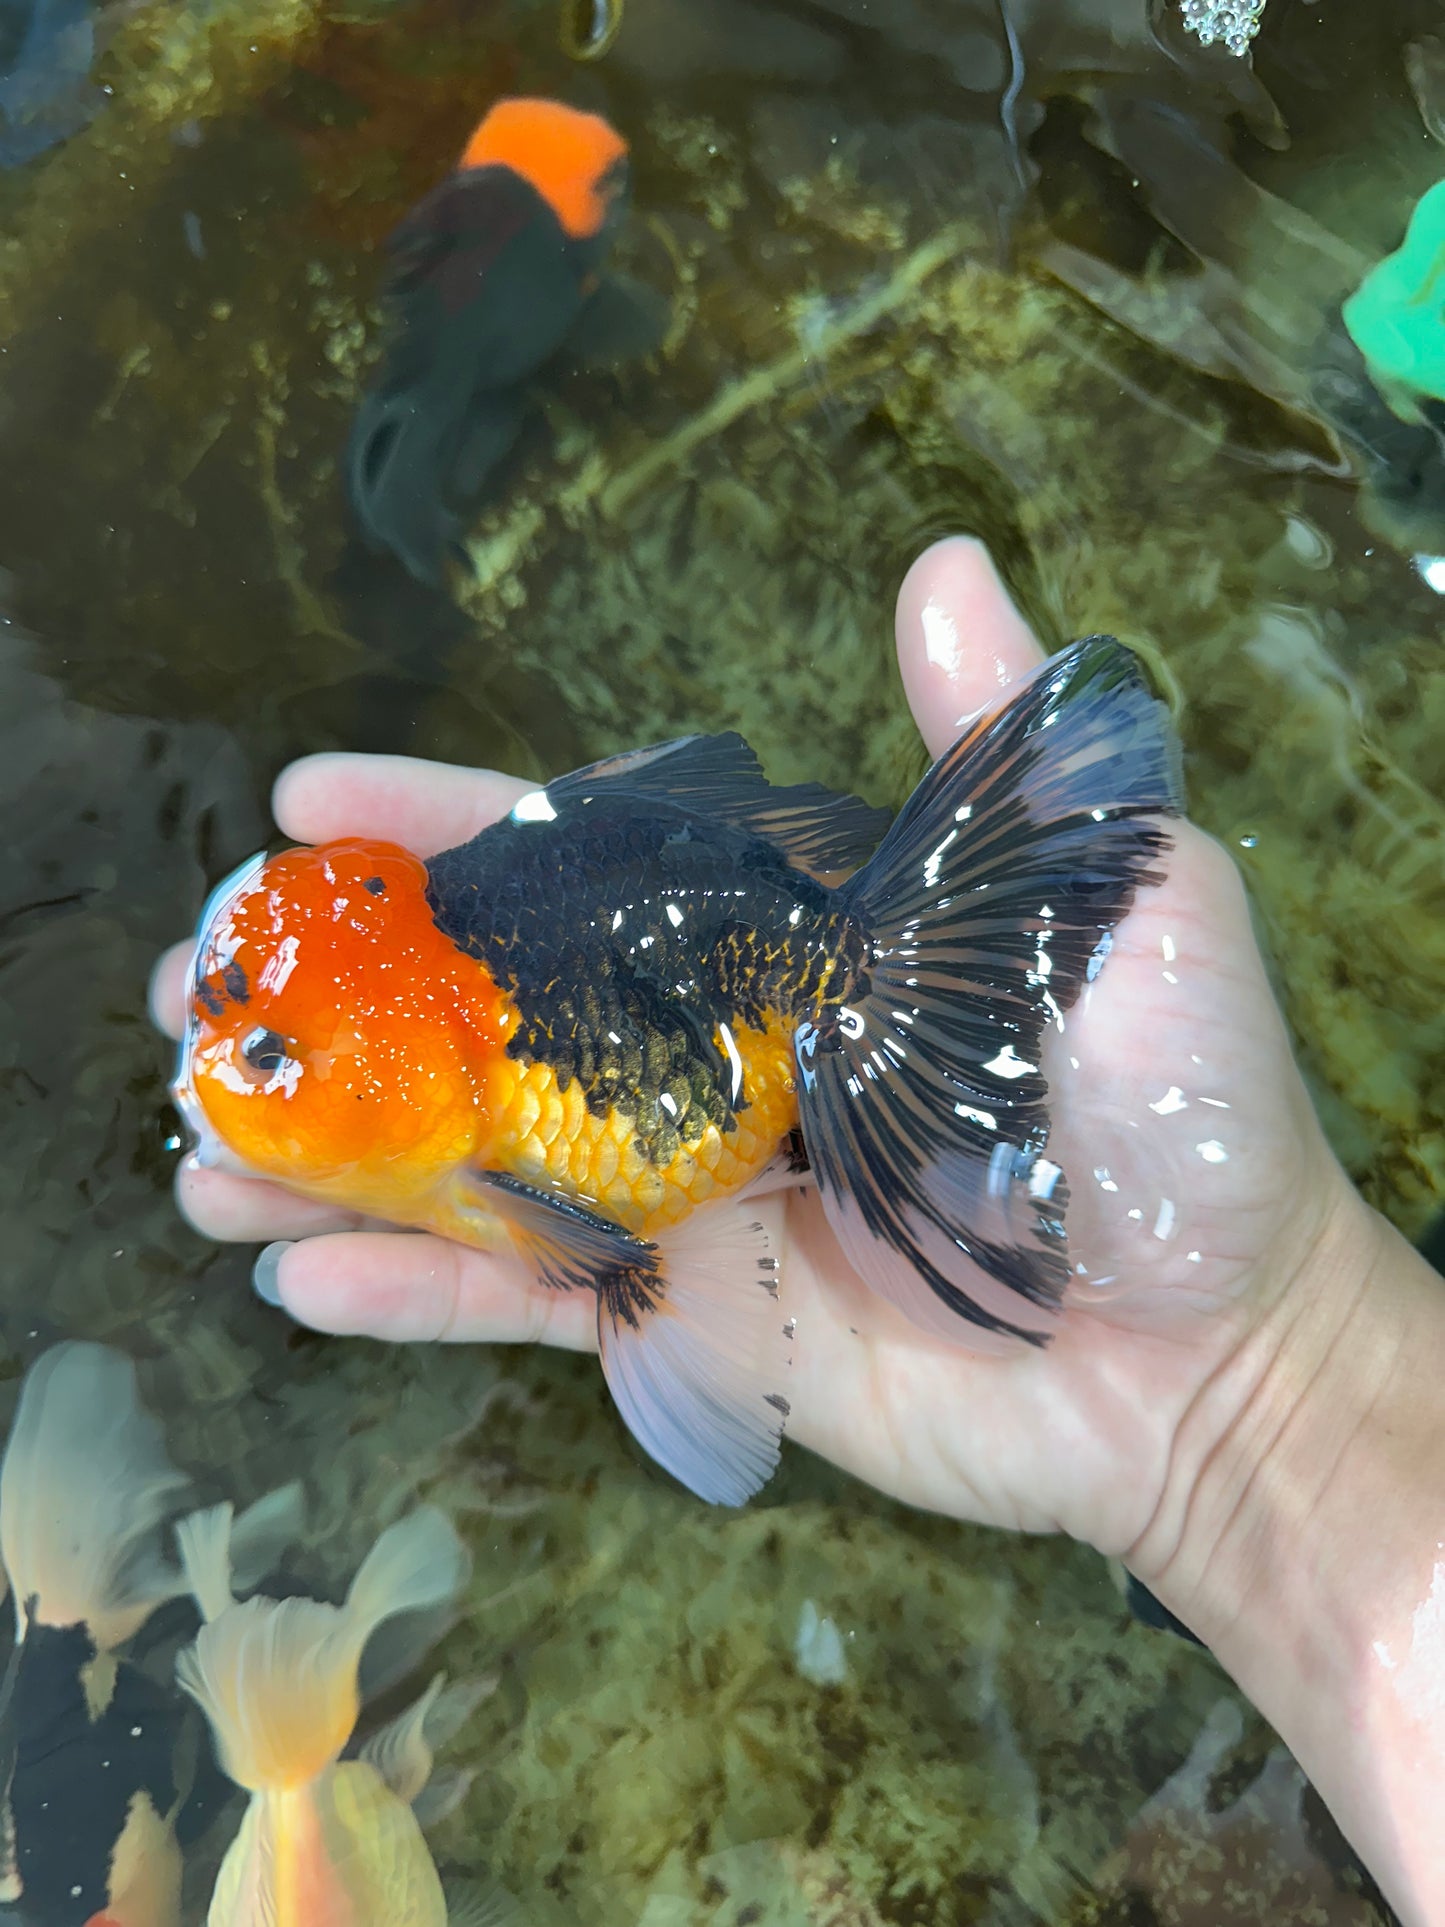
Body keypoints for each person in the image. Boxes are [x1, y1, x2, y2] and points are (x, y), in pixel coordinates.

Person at [149, 538, 1445, 1924]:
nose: (210, 1075)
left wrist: (1265, 1371)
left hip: (745, 979)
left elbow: (621, 1263)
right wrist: (1265, 1399)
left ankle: (915, 988)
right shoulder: (444, 1086)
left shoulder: (490, 1142)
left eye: (270, 1054)